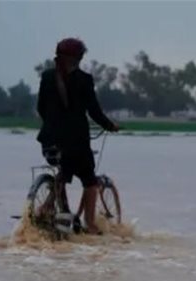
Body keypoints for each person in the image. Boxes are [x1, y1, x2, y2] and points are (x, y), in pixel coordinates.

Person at [37, 37, 120, 235]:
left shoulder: (47, 76)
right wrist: (110, 126)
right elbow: (94, 111)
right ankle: (90, 224)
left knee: (63, 172)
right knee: (90, 181)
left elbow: (40, 107)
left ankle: (45, 208)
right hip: (76, 141)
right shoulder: (84, 80)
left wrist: (52, 124)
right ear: (79, 57)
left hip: (49, 139)